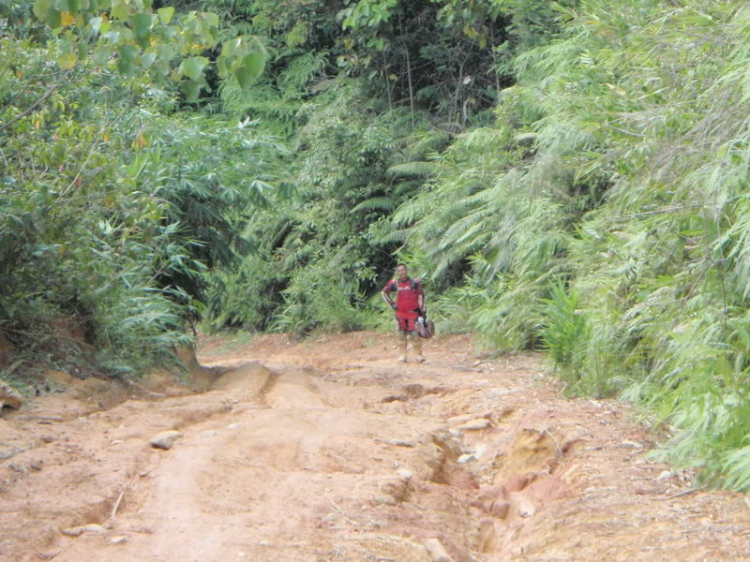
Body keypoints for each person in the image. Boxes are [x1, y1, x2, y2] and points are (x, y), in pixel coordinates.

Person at [381, 264, 426, 363]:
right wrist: (392, 304)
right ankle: (402, 356)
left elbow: (421, 296)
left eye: (403, 270)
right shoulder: (394, 283)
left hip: (413, 313)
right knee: (401, 335)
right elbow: (384, 293)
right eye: (399, 271)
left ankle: (419, 355)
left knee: (415, 334)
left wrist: (422, 312)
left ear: (407, 270)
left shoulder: (415, 282)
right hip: (400, 313)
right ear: (397, 272)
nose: (402, 272)